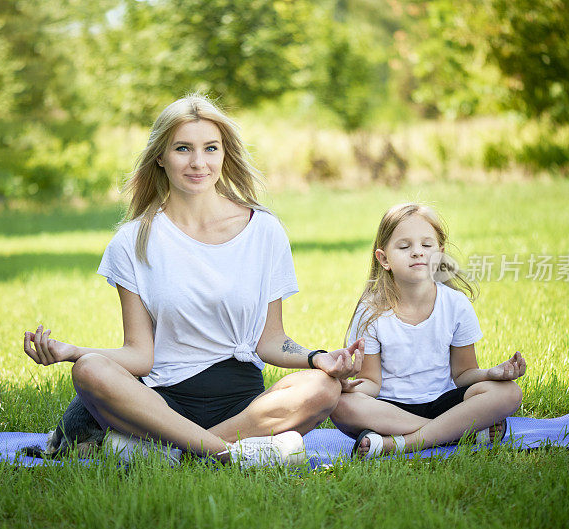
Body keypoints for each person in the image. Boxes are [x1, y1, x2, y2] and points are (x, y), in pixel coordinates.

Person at [24, 94, 363, 467]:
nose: (198, 162)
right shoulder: (132, 241)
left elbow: (270, 341)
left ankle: (175, 452)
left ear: (224, 154)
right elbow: (139, 355)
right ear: (160, 156)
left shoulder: (264, 231)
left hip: (242, 406)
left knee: (322, 386)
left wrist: (318, 358)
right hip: (160, 403)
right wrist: (72, 352)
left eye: (210, 148)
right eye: (183, 148)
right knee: (89, 370)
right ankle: (229, 454)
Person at [329, 202, 526, 457]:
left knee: (509, 392)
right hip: (390, 411)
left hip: (445, 404)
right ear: (384, 258)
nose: (417, 253)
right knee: (340, 403)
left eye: (426, 245)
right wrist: (346, 386)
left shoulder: (456, 305)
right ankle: (457, 433)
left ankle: (398, 444)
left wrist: (492, 373)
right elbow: (372, 383)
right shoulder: (371, 311)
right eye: (404, 246)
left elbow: (463, 374)